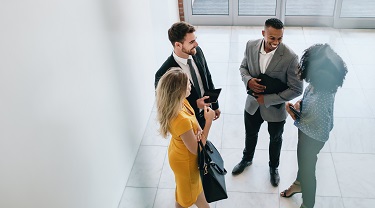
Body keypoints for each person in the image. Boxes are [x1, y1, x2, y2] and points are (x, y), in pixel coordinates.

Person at [233, 18, 303, 188]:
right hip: (252, 104)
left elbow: (297, 89)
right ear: (263, 33)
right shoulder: (250, 45)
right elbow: (243, 68)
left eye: (280, 38)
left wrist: (268, 99)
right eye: (272, 38)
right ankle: (247, 159)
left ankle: (273, 168)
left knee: (276, 138)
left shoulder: (290, 57)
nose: (276, 42)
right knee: (250, 134)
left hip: (276, 109)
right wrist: (248, 80)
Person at [280, 43, 348, 208]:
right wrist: (300, 104)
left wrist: (292, 113)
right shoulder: (323, 85)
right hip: (313, 132)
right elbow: (309, 100)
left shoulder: (321, 94)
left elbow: (309, 119)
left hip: (312, 136)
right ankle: (298, 183)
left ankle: (308, 204)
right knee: (304, 163)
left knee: (308, 170)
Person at [156, 68, 216, 208]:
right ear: (179, 91)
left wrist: (198, 130)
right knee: (188, 196)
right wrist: (208, 122)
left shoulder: (181, 102)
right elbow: (196, 149)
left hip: (180, 153)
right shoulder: (180, 119)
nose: (191, 85)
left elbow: (191, 124)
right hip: (186, 161)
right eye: (188, 84)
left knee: (186, 191)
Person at [155, 21, 221, 128]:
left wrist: (215, 105)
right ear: (178, 45)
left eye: (195, 40)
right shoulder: (164, 73)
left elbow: (207, 77)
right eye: (191, 42)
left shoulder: (197, 51)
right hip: (187, 123)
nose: (196, 44)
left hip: (205, 113)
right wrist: (196, 105)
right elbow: (167, 106)